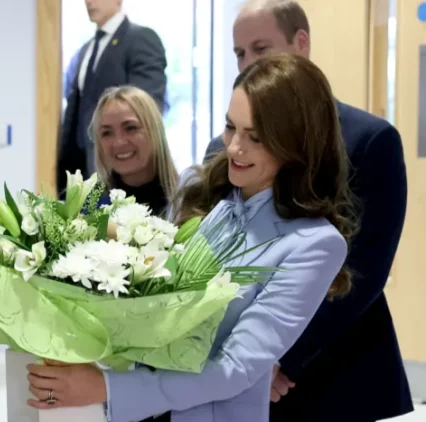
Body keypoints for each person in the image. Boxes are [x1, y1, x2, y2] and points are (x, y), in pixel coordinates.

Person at [26, 53, 355, 422]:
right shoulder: (213, 198)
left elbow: (234, 369)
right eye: (231, 127)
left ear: (296, 144)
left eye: (255, 137)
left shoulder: (314, 244)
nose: (233, 148)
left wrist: (106, 387)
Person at [203, 1, 411, 420]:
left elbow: (362, 271)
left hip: (340, 372)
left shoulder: (371, 141)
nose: (248, 64)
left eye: (260, 49)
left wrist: (280, 358)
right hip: (247, 381)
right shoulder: (224, 151)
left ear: (301, 43)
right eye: (239, 54)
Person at [57, 0, 167, 198]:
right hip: (84, 178)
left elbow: (148, 108)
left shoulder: (140, 39)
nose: (89, 2)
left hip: (126, 182)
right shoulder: (85, 51)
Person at [91, 85, 179, 217]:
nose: (119, 142)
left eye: (131, 128)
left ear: (155, 131)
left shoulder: (187, 202)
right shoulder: (92, 204)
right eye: (107, 133)